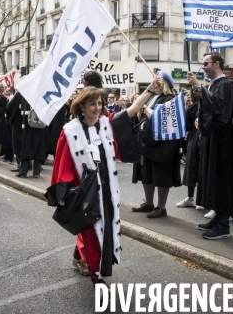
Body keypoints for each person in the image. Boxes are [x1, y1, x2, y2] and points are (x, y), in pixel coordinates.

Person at [48, 78, 159, 293]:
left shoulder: (107, 123)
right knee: (92, 234)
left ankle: (78, 256)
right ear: (81, 106)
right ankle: (96, 279)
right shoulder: (70, 131)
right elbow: (63, 163)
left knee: (100, 229)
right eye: (92, 104)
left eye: (99, 104)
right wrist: (63, 193)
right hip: (85, 193)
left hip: (108, 189)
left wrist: (149, 90)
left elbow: (132, 110)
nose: (97, 108)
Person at [187, 51, 233, 240]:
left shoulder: (225, 84)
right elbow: (209, 109)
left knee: (221, 180)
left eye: (206, 63)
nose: (203, 67)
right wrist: (200, 121)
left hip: (223, 142)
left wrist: (198, 87)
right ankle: (217, 217)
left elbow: (219, 109)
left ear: (216, 64)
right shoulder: (215, 85)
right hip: (213, 139)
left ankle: (223, 225)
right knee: (212, 178)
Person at [131, 72, 182, 218]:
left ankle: (161, 207)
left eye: (157, 81)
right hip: (147, 141)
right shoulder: (153, 97)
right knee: (146, 172)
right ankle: (149, 203)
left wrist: (146, 109)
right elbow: (140, 117)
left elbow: (162, 119)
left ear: (164, 83)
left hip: (161, 144)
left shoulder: (170, 99)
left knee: (161, 174)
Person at [7, 92, 48, 178]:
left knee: (26, 147)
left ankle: (23, 171)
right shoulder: (43, 91)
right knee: (38, 148)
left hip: (28, 123)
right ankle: (36, 172)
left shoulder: (25, 90)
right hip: (40, 123)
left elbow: (11, 107)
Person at [177, 91, 203, 209]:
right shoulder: (195, 106)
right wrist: (186, 107)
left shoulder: (211, 105)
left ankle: (202, 200)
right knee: (191, 170)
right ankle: (190, 197)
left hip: (205, 142)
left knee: (203, 172)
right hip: (193, 141)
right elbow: (186, 125)